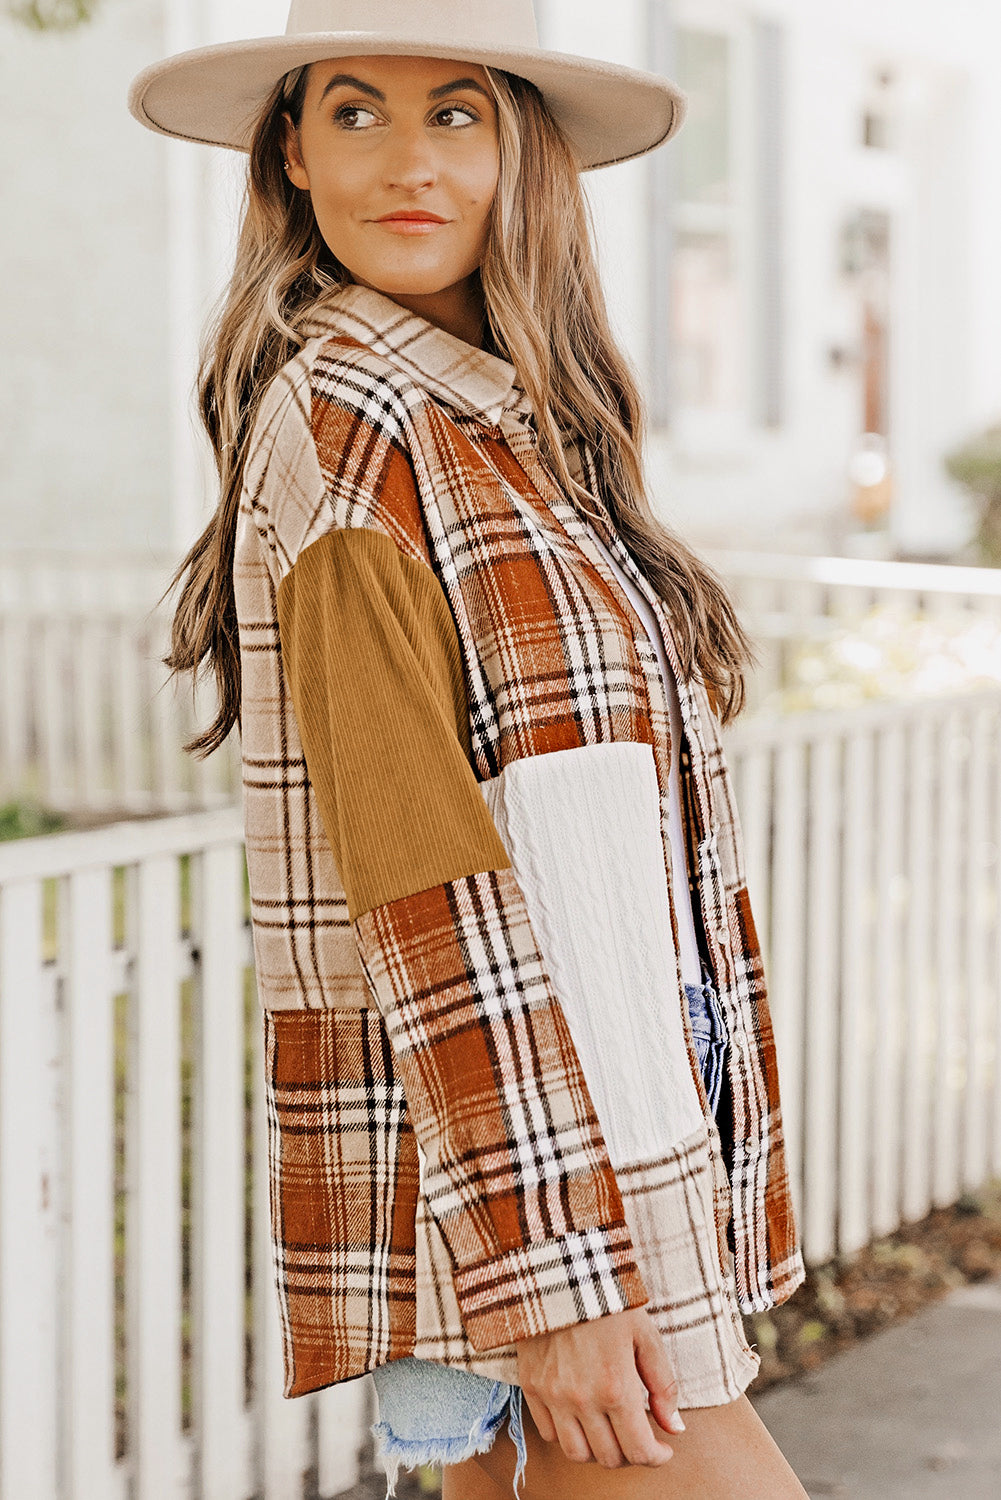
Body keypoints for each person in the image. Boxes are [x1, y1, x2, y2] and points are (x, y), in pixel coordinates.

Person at [129, 3, 808, 1495]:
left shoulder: (516, 424)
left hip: (596, 1127)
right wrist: (553, 1273)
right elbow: (418, 871)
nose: (406, 161)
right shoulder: (350, 423)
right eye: (354, 112)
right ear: (292, 152)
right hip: (530, 1180)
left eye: (454, 113)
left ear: (519, 151)